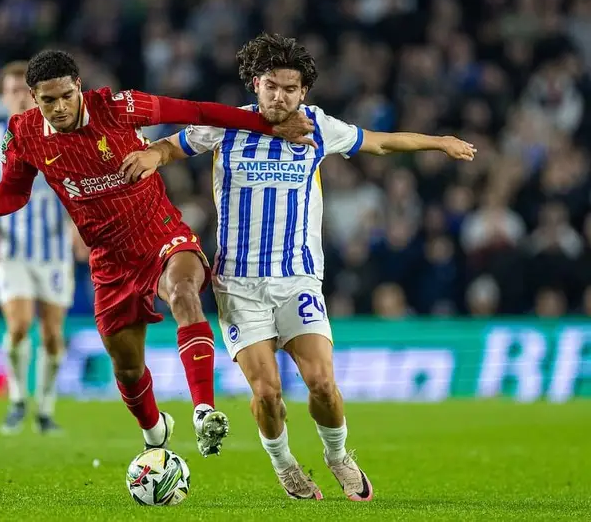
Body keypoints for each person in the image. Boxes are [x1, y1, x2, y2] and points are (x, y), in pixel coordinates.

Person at [120, 33, 476, 499]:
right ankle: (285, 463)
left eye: (290, 88)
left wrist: (439, 142)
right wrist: (152, 154)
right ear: (255, 84)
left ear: (303, 92)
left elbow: (382, 144)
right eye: (271, 85)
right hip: (238, 284)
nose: (279, 96)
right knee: (267, 394)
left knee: (323, 385)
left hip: (298, 280)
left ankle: (338, 456)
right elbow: (174, 145)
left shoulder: (318, 127)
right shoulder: (229, 124)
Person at [0, 49, 316, 456]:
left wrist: (266, 126)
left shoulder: (118, 107)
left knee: (184, 293)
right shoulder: (23, 132)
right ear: (34, 99)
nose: (59, 107)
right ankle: (156, 431)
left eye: (66, 96)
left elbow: (195, 111)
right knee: (126, 369)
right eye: (47, 100)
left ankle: (204, 411)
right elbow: (16, 188)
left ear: (79, 89)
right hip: (109, 259)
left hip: (160, 234)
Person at [0, 61, 86, 435]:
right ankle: (18, 400)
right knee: (18, 326)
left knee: (52, 334)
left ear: (34, 96)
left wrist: (78, 230)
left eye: (24, 90)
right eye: (12, 90)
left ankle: (45, 410)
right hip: (12, 250)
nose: (19, 97)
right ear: (4, 97)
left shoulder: (63, 135)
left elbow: (77, 188)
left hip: (53, 251)